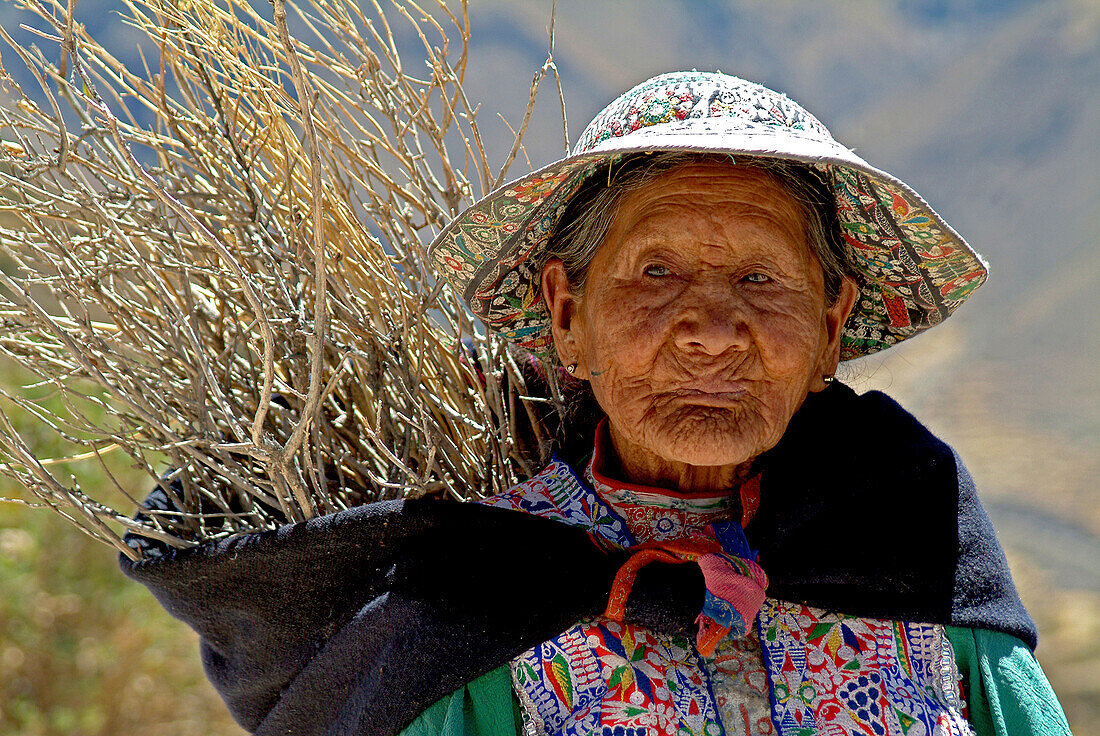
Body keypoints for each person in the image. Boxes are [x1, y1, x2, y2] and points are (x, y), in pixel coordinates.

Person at [123, 72, 1071, 736]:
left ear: (831, 326)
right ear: (567, 315)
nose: (711, 329)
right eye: (654, 272)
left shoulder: (913, 537)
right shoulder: (475, 591)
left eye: (760, 278)